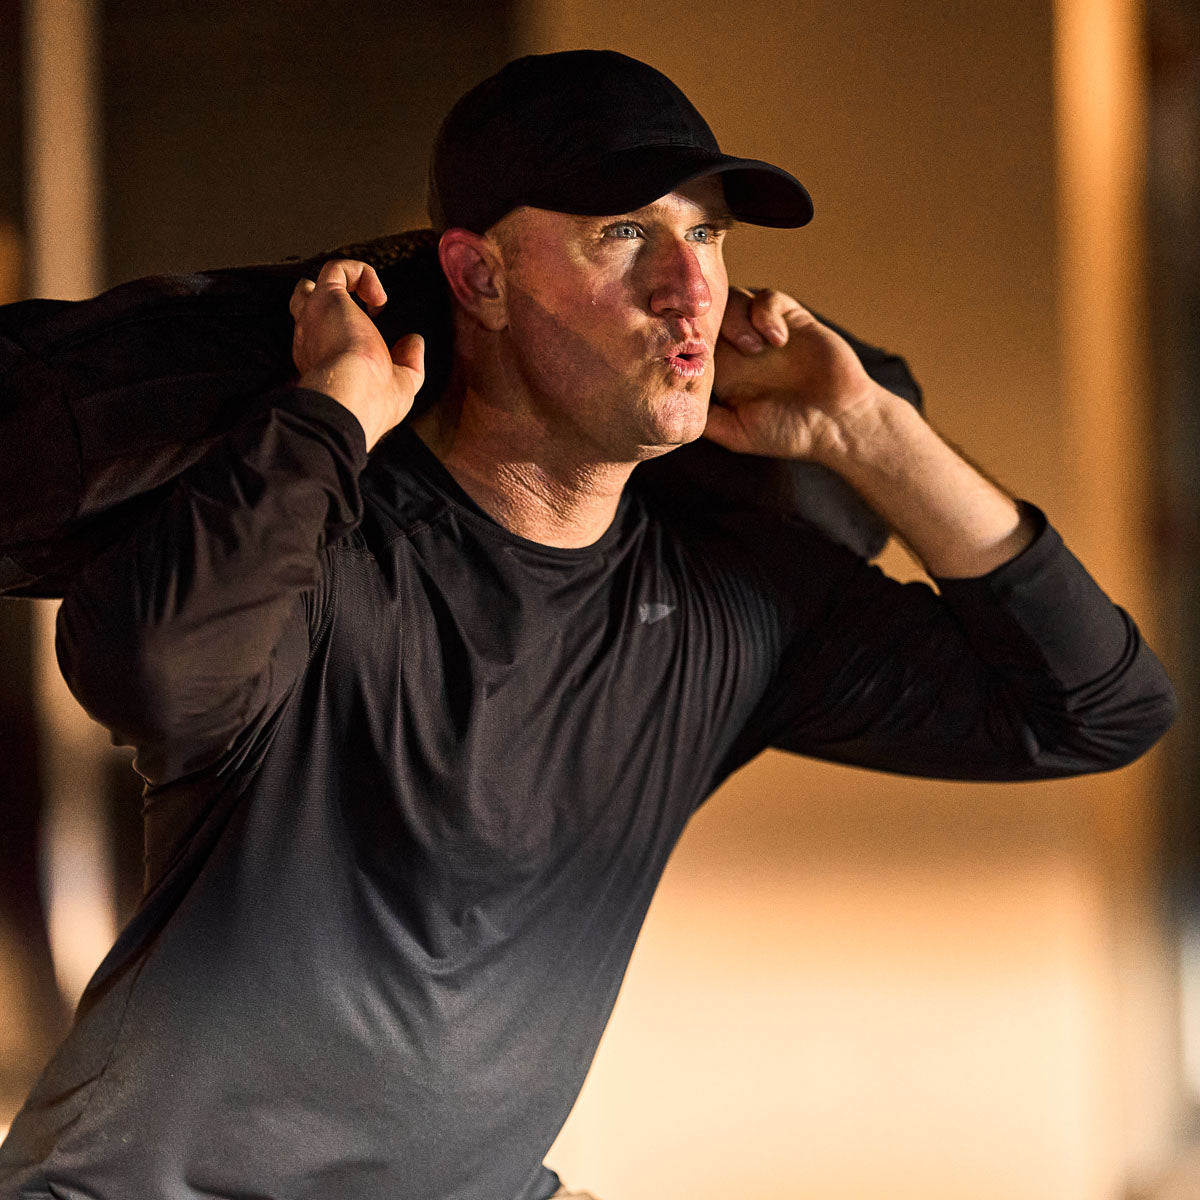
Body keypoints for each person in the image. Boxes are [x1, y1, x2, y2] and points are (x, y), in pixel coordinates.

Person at [0, 48, 1176, 1200]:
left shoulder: (728, 601)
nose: (693, 287)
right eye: (626, 233)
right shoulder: (333, 538)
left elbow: (1099, 710)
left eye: (708, 233)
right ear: (480, 279)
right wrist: (322, 422)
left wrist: (872, 435)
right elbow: (148, 667)